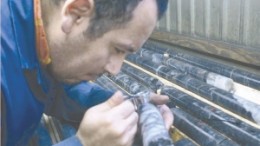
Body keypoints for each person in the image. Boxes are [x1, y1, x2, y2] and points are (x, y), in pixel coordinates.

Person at [1, 0, 173, 145]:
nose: (115, 70)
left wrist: (129, 107)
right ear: (76, 13)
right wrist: (83, 142)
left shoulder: (35, 33)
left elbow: (57, 91)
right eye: (117, 49)